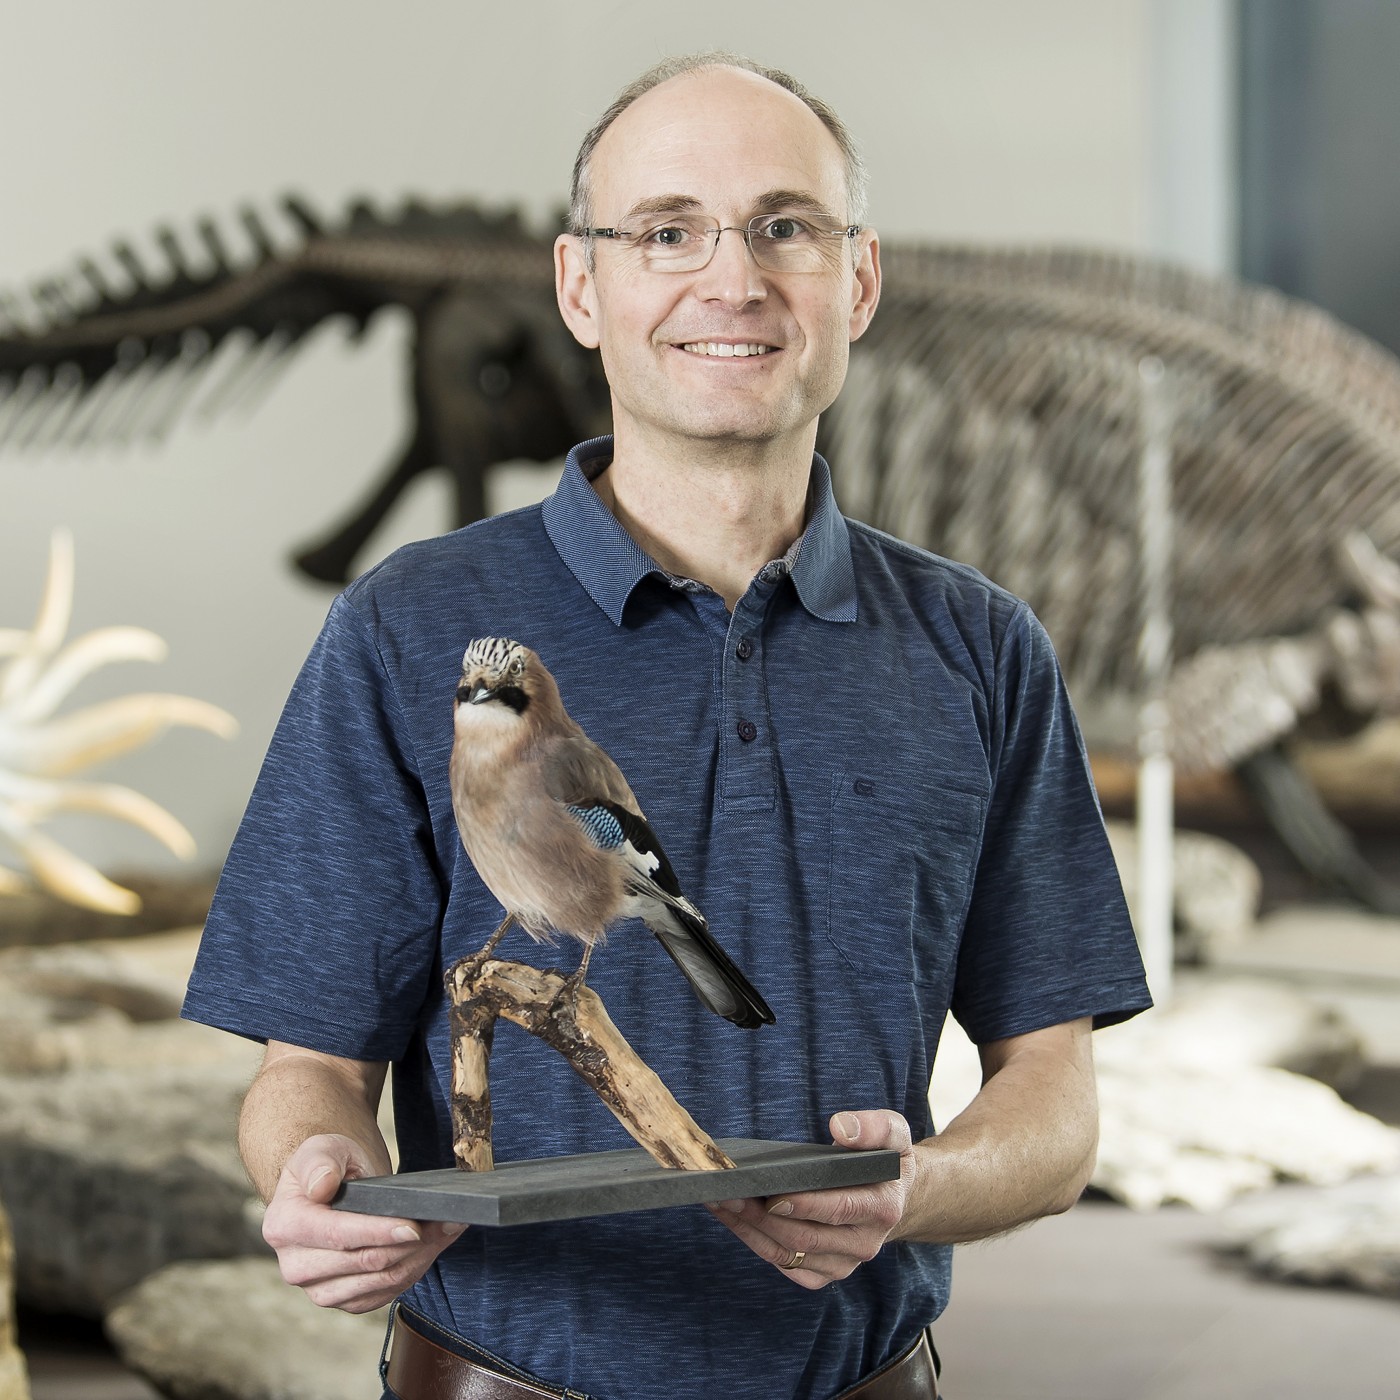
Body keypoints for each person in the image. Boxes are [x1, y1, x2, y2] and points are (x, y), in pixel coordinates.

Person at [184, 52, 1152, 1400]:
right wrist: (314, 1174)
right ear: (584, 290)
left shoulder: (981, 650)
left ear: (856, 283)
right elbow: (309, 1067)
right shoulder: (404, 627)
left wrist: (915, 1188)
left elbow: (1054, 1099)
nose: (733, 279)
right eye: (666, 231)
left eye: (786, 227)